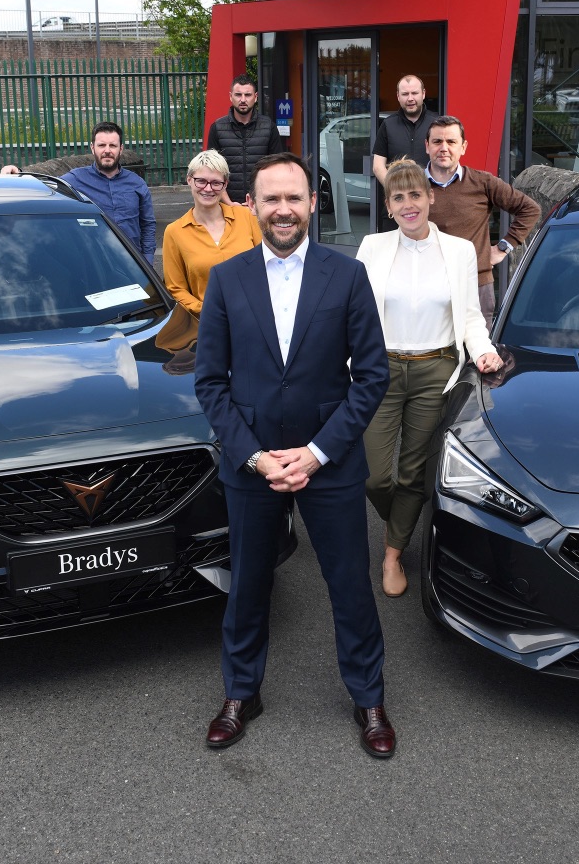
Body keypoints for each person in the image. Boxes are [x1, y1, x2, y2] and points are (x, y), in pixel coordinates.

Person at [192, 152, 396, 759]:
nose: (283, 210)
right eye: (271, 199)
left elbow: (372, 376)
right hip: (252, 465)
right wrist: (255, 457)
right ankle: (240, 692)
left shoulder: (347, 275)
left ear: (312, 203)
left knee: (350, 586)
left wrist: (316, 453)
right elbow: (210, 383)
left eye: (294, 198)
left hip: (329, 462)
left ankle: (368, 697)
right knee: (248, 586)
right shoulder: (227, 279)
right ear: (251, 205)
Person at [357, 158, 503, 597]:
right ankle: (402, 519)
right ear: (388, 207)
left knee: (413, 473)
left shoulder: (459, 251)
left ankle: (393, 553)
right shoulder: (372, 247)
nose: (409, 204)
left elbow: (471, 315)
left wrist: (484, 350)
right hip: (380, 368)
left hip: (435, 370)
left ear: (430, 197)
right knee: (374, 477)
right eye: (398, 197)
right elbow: (353, 313)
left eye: (415, 194)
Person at [423, 115, 542, 326]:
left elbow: (530, 209)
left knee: (476, 347)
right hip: (425, 284)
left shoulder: (482, 182)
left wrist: (503, 247)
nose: (444, 148)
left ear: (463, 147)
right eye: (437, 141)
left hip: (475, 286)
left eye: (451, 142)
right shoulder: (414, 185)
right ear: (427, 146)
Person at [0, 121, 156, 261]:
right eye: (102, 145)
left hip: (132, 263)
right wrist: (18, 172)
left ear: (120, 149)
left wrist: (147, 261)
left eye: (113, 146)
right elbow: (45, 185)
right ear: (92, 148)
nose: (107, 150)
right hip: (96, 262)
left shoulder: (137, 183)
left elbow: (148, 225)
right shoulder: (76, 179)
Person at [161, 149, 262, 317]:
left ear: (225, 185)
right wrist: (207, 310)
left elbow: (267, 265)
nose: (208, 189)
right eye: (201, 181)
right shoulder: (174, 232)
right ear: (189, 180)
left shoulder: (247, 217)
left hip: (255, 315)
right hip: (208, 321)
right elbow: (176, 288)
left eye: (216, 183)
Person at [206, 74, 286, 205]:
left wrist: (259, 201)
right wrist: (229, 203)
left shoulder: (268, 127)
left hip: (261, 204)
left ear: (255, 97)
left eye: (247, 95)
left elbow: (277, 168)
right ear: (230, 96)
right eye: (238, 95)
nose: (243, 100)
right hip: (226, 205)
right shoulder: (217, 128)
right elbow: (212, 171)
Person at [371, 74, 435, 188]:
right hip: (397, 195)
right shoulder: (388, 124)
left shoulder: (437, 124)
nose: (410, 98)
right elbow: (378, 167)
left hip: (431, 195)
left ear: (423, 94)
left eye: (414, 93)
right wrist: (395, 191)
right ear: (398, 96)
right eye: (405, 94)